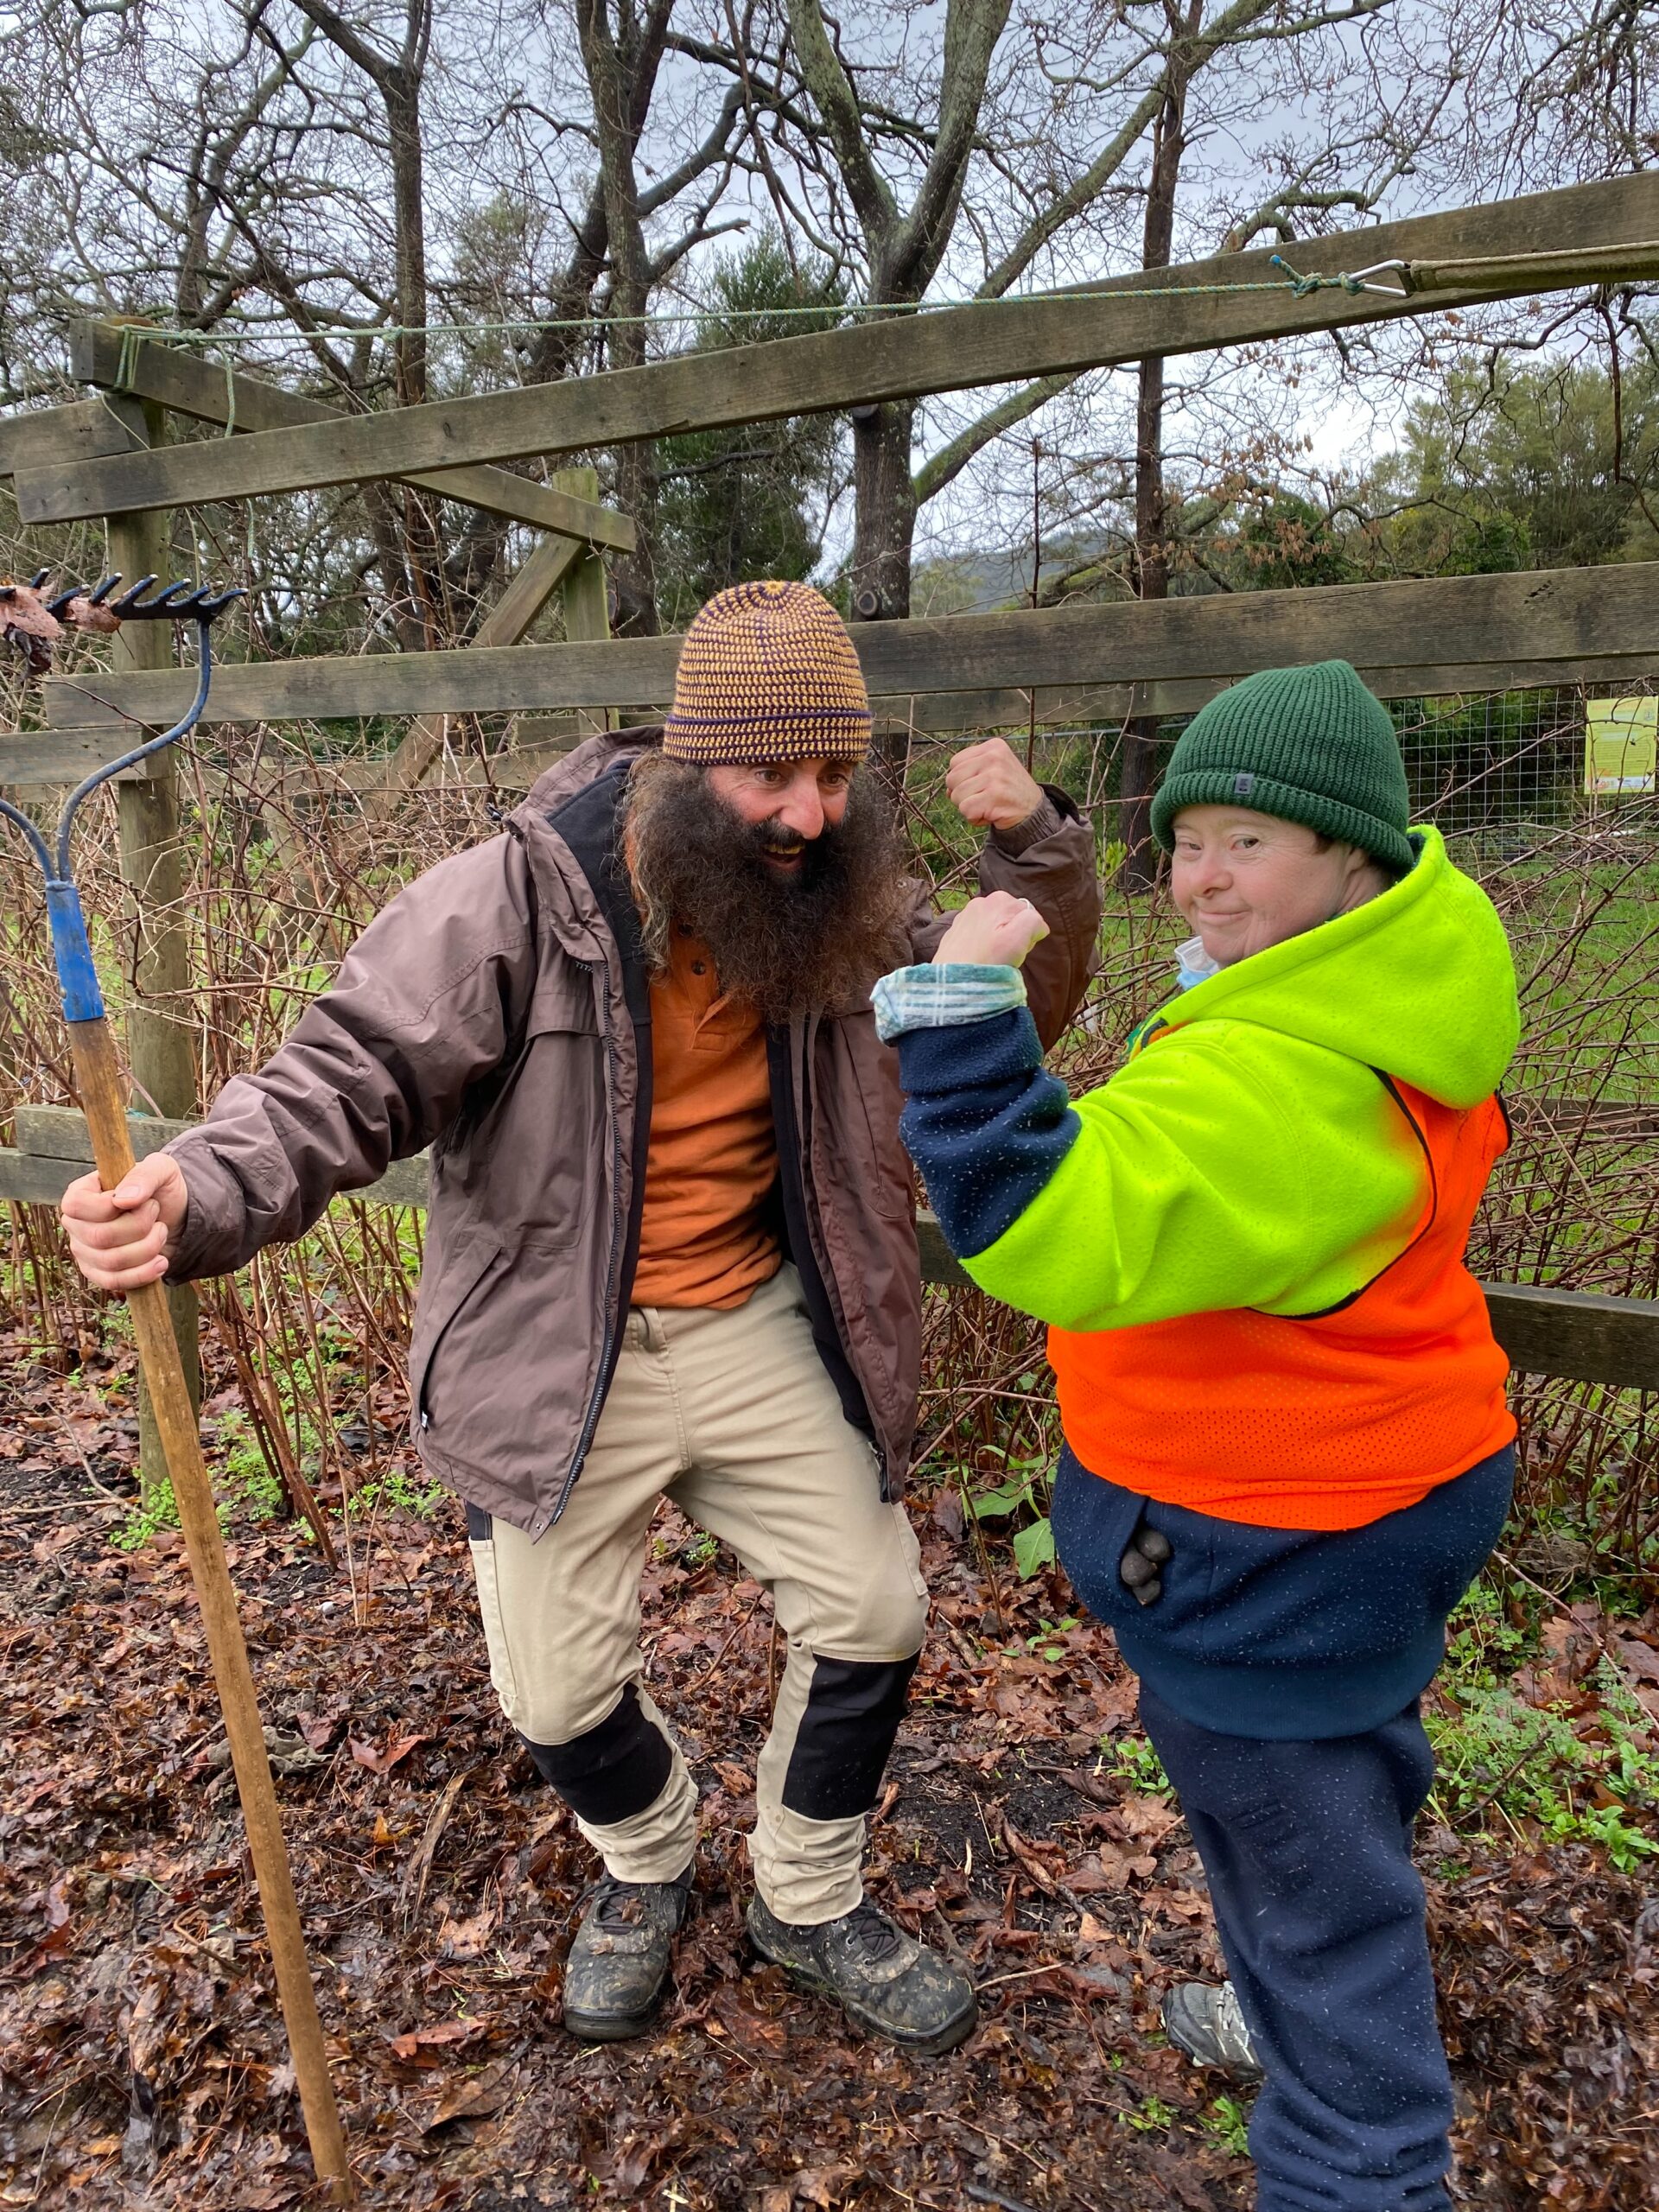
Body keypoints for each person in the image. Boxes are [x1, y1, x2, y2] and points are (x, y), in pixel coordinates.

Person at [60, 579, 1100, 2055]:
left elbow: (1002, 1008)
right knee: (551, 1692)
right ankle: (649, 1862)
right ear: (685, 766)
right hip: (565, 1339)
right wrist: (195, 1192)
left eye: (831, 775)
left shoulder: (853, 903)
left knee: (875, 1610)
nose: (806, 815)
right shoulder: (520, 893)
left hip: (760, 1321)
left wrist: (1040, 860)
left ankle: (803, 1899)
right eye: (770, 778)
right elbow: (348, 1069)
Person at [874, 659, 1517, 2206]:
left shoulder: (1287, 1079)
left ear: (1352, 855)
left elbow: (1045, 1224)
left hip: (1278, 1538)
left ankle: (1352, 2137)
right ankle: (1290, 1997)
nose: (1202, 875)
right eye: (1188, 839)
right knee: (1329, 1811)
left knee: (1313, 1886)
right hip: (1377, 1486)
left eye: (1250, 842)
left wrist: (961, 1007)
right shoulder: (1383, 990)